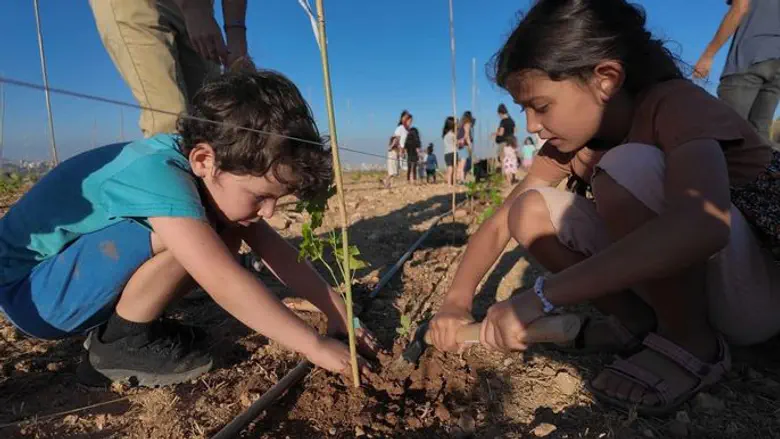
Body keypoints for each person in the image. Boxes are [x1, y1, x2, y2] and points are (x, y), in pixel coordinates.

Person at [429, 0, 780, 416]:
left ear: (606, 79)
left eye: (540, 106)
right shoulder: (570, 142)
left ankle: (690, 343)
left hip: (756, 298)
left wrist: (542, 296)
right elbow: (503, 220)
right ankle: (640, 326)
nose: (531, 125)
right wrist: (456, 300)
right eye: (524, 109)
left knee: (626, 165)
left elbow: (702, 226)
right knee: (528, 210)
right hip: (701, 283)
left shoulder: (675, 104)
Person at [0, 71, 379, 386]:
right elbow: (221, 278)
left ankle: (128, 325)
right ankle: (120, 345)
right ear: (204, 159)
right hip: (35, 295)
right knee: (203, 239)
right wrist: (312, 345)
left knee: (225, 227)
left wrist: (338, 310)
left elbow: (274, 248)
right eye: (261, 196)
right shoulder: (160, 176)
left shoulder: (211, 170)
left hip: (66, 279)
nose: (269, 211)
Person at [90, 0, 256, 138]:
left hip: (201, 8)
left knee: (213, 118)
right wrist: (193, 8)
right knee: (171, 120)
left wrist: (237, 38)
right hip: (136, 4)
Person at [693, 0, 780, 142]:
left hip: (750, 57)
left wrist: (708, 54)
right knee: (759, 133)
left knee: (726, 129)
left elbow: (739, 8)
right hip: (777, 65)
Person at [387, 111, 412, 186]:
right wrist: (392, 147)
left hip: (398, 152)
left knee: (395, 171)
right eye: (409, 121)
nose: (410, 123)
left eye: (411, 121)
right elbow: (396, 139)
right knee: (392, 171)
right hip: (394, 151)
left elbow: (404, 143)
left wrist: (403, 151)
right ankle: (386, 183)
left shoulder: (406, 130)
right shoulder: (400, 128)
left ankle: (388, 185)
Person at [492, 104, 516, 172]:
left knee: (503, 159)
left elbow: (501, 133)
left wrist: (494, 133)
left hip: (503, 142)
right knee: (510, 160)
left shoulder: (503, 121)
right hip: (511, 142)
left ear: (500, 113)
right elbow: (514, 131)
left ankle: (504, 175)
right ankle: (511, 176)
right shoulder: (512, 121)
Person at [457, 111, 476, 182]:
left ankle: (460, 178)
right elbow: (467, 135)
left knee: (461, 163)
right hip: (464, 145)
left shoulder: (461, 124)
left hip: (460, 145)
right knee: (464, 163)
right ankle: (462, 179)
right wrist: (470, 145)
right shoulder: (467, 124)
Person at [442, 116, 458, 186]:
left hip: (447, 153)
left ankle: (449, 183)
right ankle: (453, 183)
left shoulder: (445, 135)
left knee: (450, 168)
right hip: (453, 152)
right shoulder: (452, 135)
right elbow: (456, 143)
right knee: (453, 169)